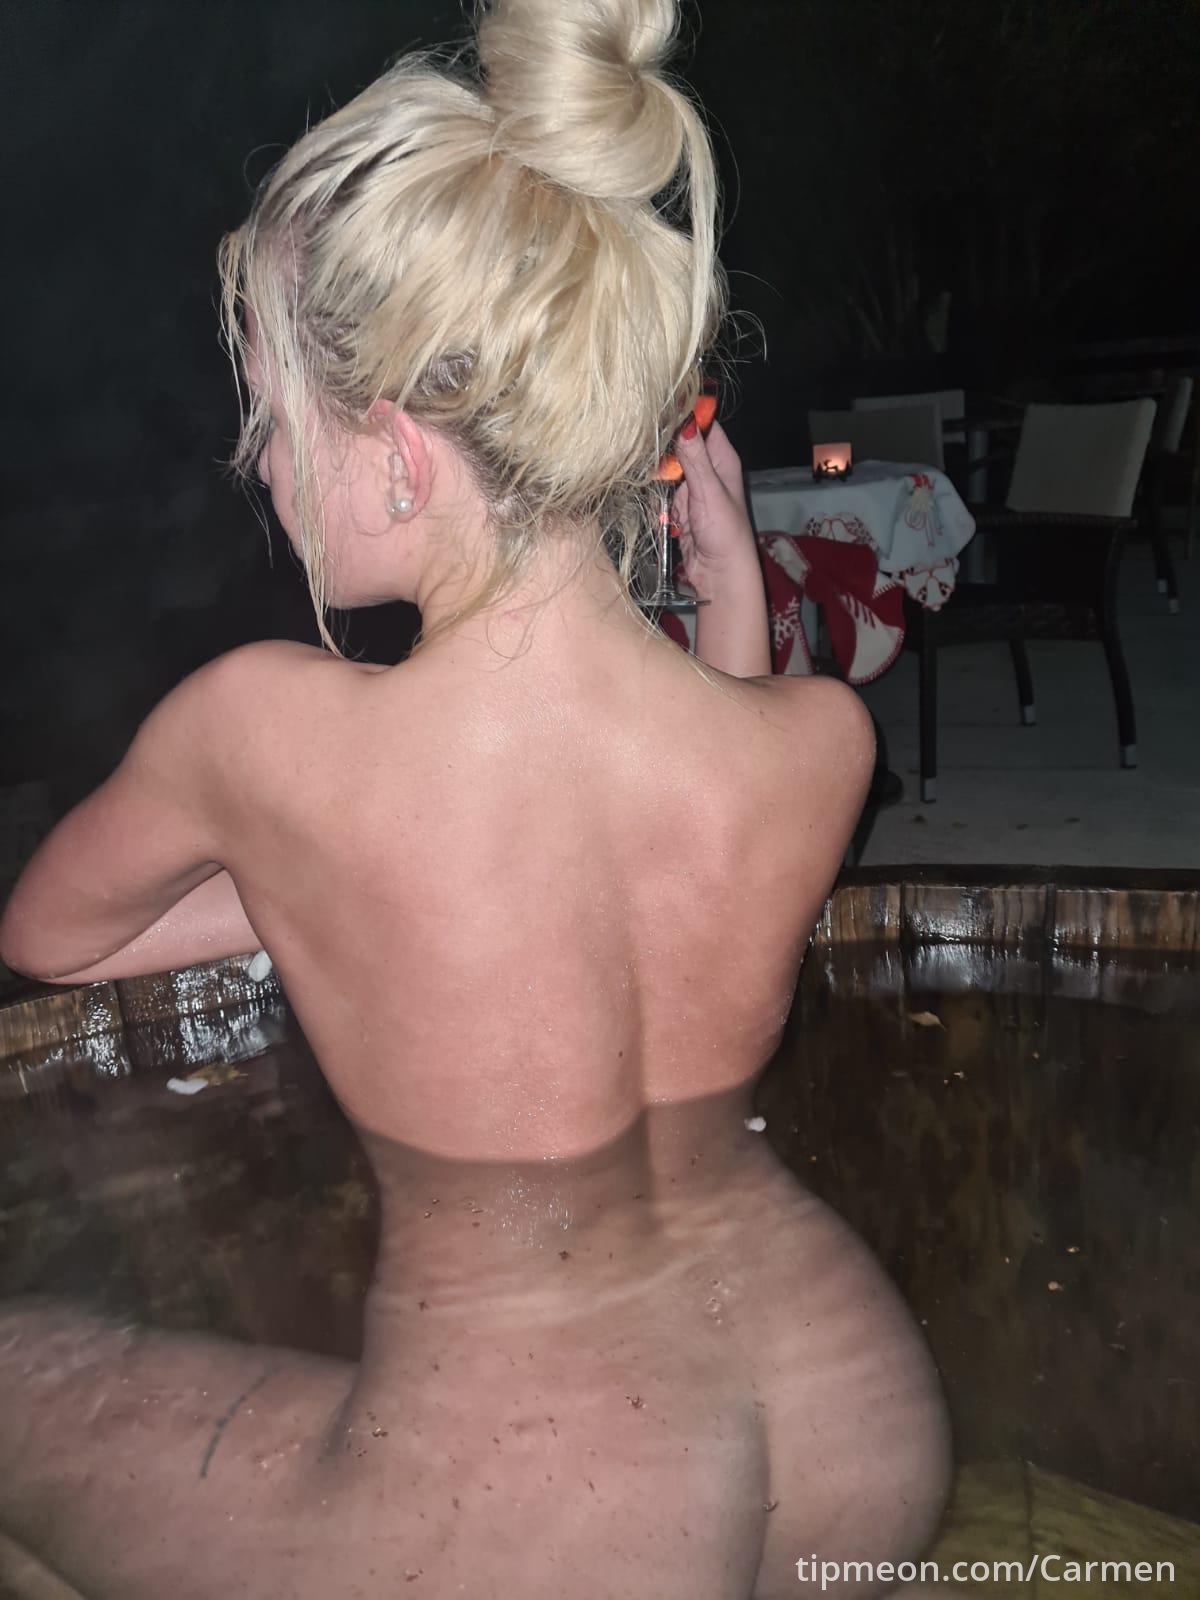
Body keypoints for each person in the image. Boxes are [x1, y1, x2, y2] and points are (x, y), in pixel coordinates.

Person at [0, 2, 951, 1595]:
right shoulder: (814, 748)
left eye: (272, 411)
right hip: (853, 1428)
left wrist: (326, 890)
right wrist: (731, 594)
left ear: (396, 450)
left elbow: (55, 938)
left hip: (558, 1511)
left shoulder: (266, 736)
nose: (257, 462)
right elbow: (669, 814)